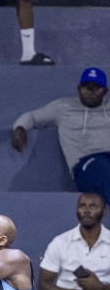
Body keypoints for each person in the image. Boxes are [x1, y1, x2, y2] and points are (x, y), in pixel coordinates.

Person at [11, 68, 110, 203]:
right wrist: (20, 128)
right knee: (102, 169)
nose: (90, 92)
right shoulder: (63, 107)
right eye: (86, 87)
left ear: (105, 91)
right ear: (79, 88)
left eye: (95, 88)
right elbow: (33, 117)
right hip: (86, 164)